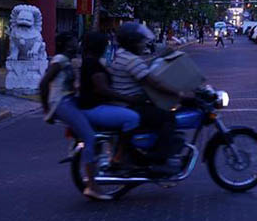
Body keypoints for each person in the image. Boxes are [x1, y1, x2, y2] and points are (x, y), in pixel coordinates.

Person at [40, 32, 108, 201]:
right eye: (73, 43)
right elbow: (43, 83)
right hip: (62, 103)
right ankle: (92, 185)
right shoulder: (60, 60)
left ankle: (79, 150)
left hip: (70, 101)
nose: (77, 45)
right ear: (66, 45)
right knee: (90, 137)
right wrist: (47, 109)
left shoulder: (68, 61)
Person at [108, 22, 182, 174]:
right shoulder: (131, 60)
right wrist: (178, 93)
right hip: (130, 104)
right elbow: (153, 82)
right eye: (140, 41)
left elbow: (148, 72)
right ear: (132, 42)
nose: (143, 44)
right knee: (168, 118)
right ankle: (160, 160)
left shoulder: (122, 54)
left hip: (125, 102)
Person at [77, 31, 140, 164]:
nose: (106, 48)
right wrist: (128, 99)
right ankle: (119, 155)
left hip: (94, 106)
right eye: (104, 45)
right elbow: (103, 89)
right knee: (133, 118)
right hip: (94, 108)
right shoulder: (92, 63)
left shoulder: (91, 61)